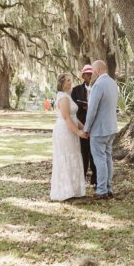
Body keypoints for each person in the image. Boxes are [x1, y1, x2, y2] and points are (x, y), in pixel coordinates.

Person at [83, 59, 118, 201]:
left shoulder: (98, 85)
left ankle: (102, 190)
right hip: (111, 127)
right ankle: (108, 188)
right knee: (108, 158)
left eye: (93, 71)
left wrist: (86, 128)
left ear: (97, 70)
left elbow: (92, 110)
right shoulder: (112, 83)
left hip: (100, 129)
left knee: (100, 159)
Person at [50, 72, 88, 201]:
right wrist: (78, 132)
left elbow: (74, 117)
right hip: (64, 131)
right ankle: (65, 190)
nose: (70, 82)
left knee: (74, 156)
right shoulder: (63, 98)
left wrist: (85, 128)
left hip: (70, 128)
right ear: (61, 83)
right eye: (67, 81)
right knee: (66, 158)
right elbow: (66, 117)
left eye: (70, 80)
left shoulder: (68, 96)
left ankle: (75, 189)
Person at [71, 64, 97, 187]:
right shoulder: (76, 90)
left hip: (95, 124)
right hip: (81, 123)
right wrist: (84, 106)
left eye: (91, 74)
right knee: (83, 151)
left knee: (94, 152)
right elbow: (73, 106)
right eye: (87, 74)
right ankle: (82, 177)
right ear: (83, 76)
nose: (89, 76)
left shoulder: (97, 87)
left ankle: (95, 178)